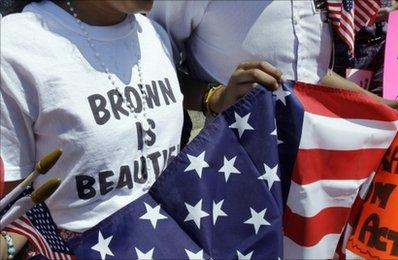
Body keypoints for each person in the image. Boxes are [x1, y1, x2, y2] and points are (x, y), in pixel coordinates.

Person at [0, 0, 280, 258]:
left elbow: (166, 87)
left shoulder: (153, 33)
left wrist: (213, 98)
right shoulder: (15, 48)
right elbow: (13, 209)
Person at [149, 0, 398, 124]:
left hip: (309, 166)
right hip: (231, 169)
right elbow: (150, 73)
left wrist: (377, 104)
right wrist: (214, 98)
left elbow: (312, 73)